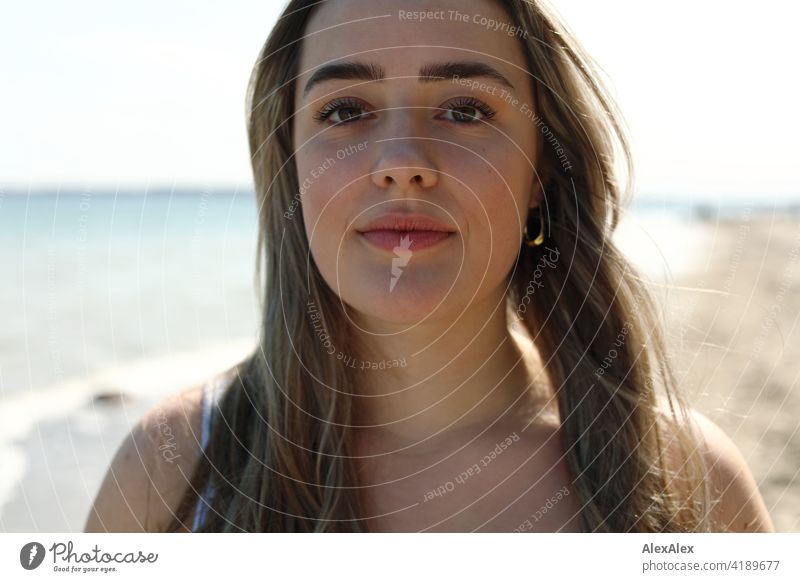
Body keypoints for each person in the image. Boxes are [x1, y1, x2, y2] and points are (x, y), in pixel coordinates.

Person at [85, 0, 774, 533]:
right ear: (289, 165)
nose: (402, 163)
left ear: (541, 169)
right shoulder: (173, 471)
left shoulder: (692, 484)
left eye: (466, 109)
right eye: (346, 110)